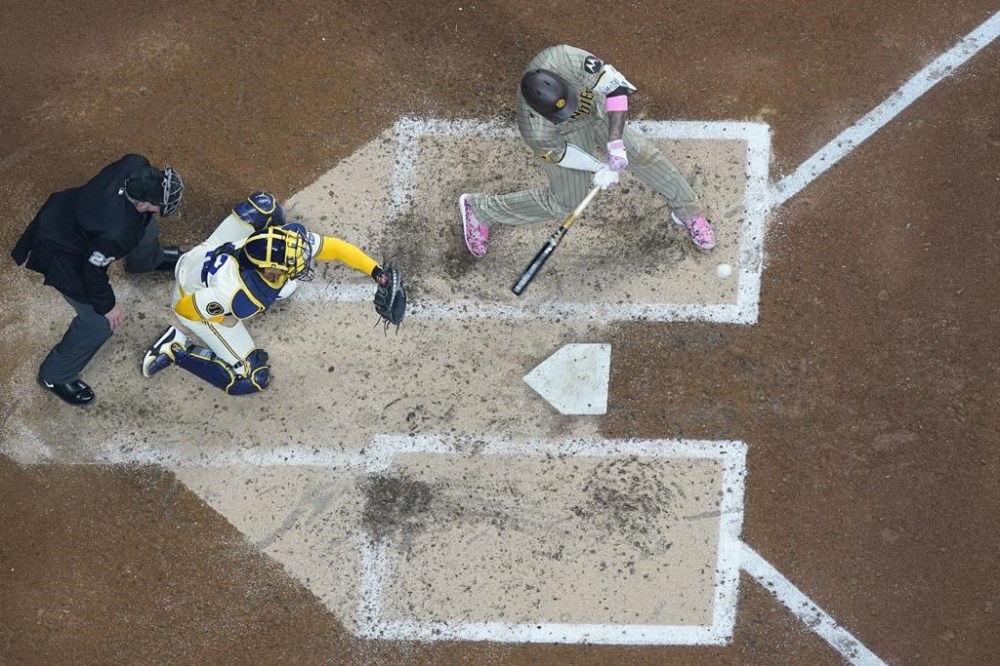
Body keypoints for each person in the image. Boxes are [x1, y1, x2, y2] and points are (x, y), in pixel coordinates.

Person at [459, 44, 716, 258]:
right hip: (565, 134)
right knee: (565, 202)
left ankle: (688, 211)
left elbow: (616, 89)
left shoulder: (566, 59)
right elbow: (561, 154)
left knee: (640, 152)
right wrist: (597, 167)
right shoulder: (535, 130)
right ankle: (481, 209)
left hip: (595, 108)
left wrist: (615, 142)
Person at [139, 191, 405, 395]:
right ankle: (174, 348)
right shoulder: (236, 295)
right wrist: (223, 319)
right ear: (269, 270)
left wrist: (376, 273)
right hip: (191, 289)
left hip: (211, 252)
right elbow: (185, 308)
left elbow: (334, 248)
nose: (300, 262)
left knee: (265, 205)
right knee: (252, 379)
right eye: (291, 265)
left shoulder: (278, 243)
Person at [11, 154, 185, 406]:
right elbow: (92, 270)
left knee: (147, 228)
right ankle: (54, 376)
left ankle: (146, 261)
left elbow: (139, 215)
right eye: (159, 204)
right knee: (98, 323)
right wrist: (107, 306)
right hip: (61, 249)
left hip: (70, 211)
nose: (164, 207)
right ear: (141, 204)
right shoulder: (117, 232)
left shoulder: (134, 164)